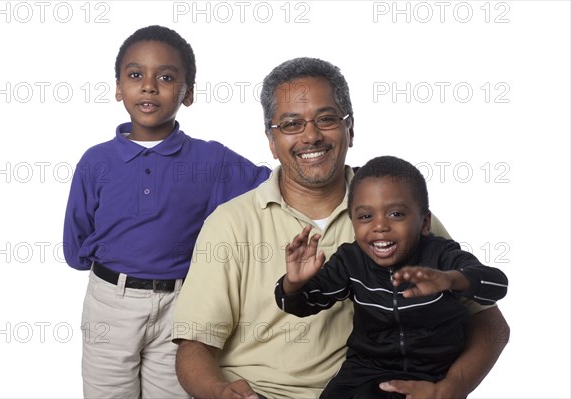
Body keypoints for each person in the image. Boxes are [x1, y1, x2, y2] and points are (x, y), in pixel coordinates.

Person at [172, 57, 510, 399]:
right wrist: (220, 392)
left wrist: (449, 390)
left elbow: (489, 323)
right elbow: (193, 347)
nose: (312, 135)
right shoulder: (230, 224)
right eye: (291, 124)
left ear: (350, 128)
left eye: (326, 119)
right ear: (271, 141)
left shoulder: (399, 212)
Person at [62, 25, 270, 398]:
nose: (149, 86)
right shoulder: (97, 161)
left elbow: (273, 185)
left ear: (187, 93)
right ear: (118, 86)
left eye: (167, 77)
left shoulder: (210, 160)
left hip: (181, 304)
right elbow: (76, 234)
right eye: (136, 74)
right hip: (111, 302)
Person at [276, 155, 509, 399]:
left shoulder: (441, 254)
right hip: (365, 369)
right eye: (366, 216)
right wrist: (294, 283)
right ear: (353, 222)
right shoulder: (350, 259)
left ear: (425, 222)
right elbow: (303, 303)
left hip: (432, 371)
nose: (380, 226)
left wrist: (451, 279)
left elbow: (497, 284)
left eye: (396, 214)